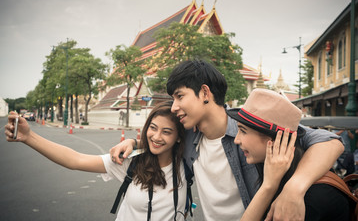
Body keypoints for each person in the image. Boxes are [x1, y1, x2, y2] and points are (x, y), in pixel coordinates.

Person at [110, 60, 344, 221]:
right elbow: (161, 134)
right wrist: (134, 142)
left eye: (180, 96)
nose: (174, 107)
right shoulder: (188, 132)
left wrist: (293, 189)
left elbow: (329, 140)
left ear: (204, 93)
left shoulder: (251, 125)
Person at [5, 101, 188, 221]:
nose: (156, 136)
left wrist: (133, 141)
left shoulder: (189, 163)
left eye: (166, 132)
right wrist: (29, 137)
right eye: (153, 128)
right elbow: (75, 160)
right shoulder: (133, 162)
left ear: (179, 137)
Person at [227, 88, 350, 221]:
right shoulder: (273, 174)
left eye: (243, 131)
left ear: (276, 140)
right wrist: (269, 185)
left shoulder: (307, 201)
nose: (236, 140)